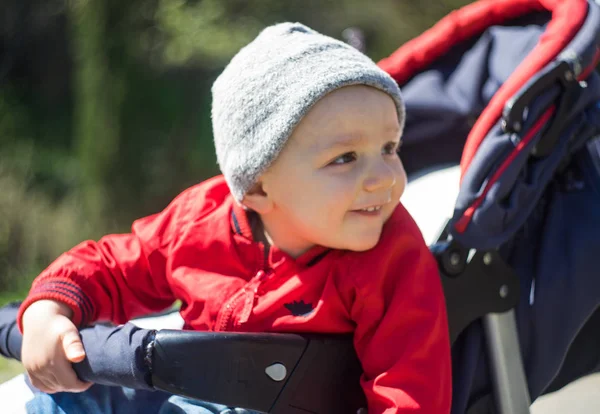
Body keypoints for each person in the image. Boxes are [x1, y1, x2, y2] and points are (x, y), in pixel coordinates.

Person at [16, 22, 451, 414]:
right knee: (64, 400)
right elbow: (115, 264)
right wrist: (50, 310)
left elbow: (410, 387)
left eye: (390, 148)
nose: (382, 178)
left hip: (292, 400)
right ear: (258, 187)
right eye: (346, 158)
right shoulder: (200, 218)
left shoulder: (392, 256)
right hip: (188, 384)